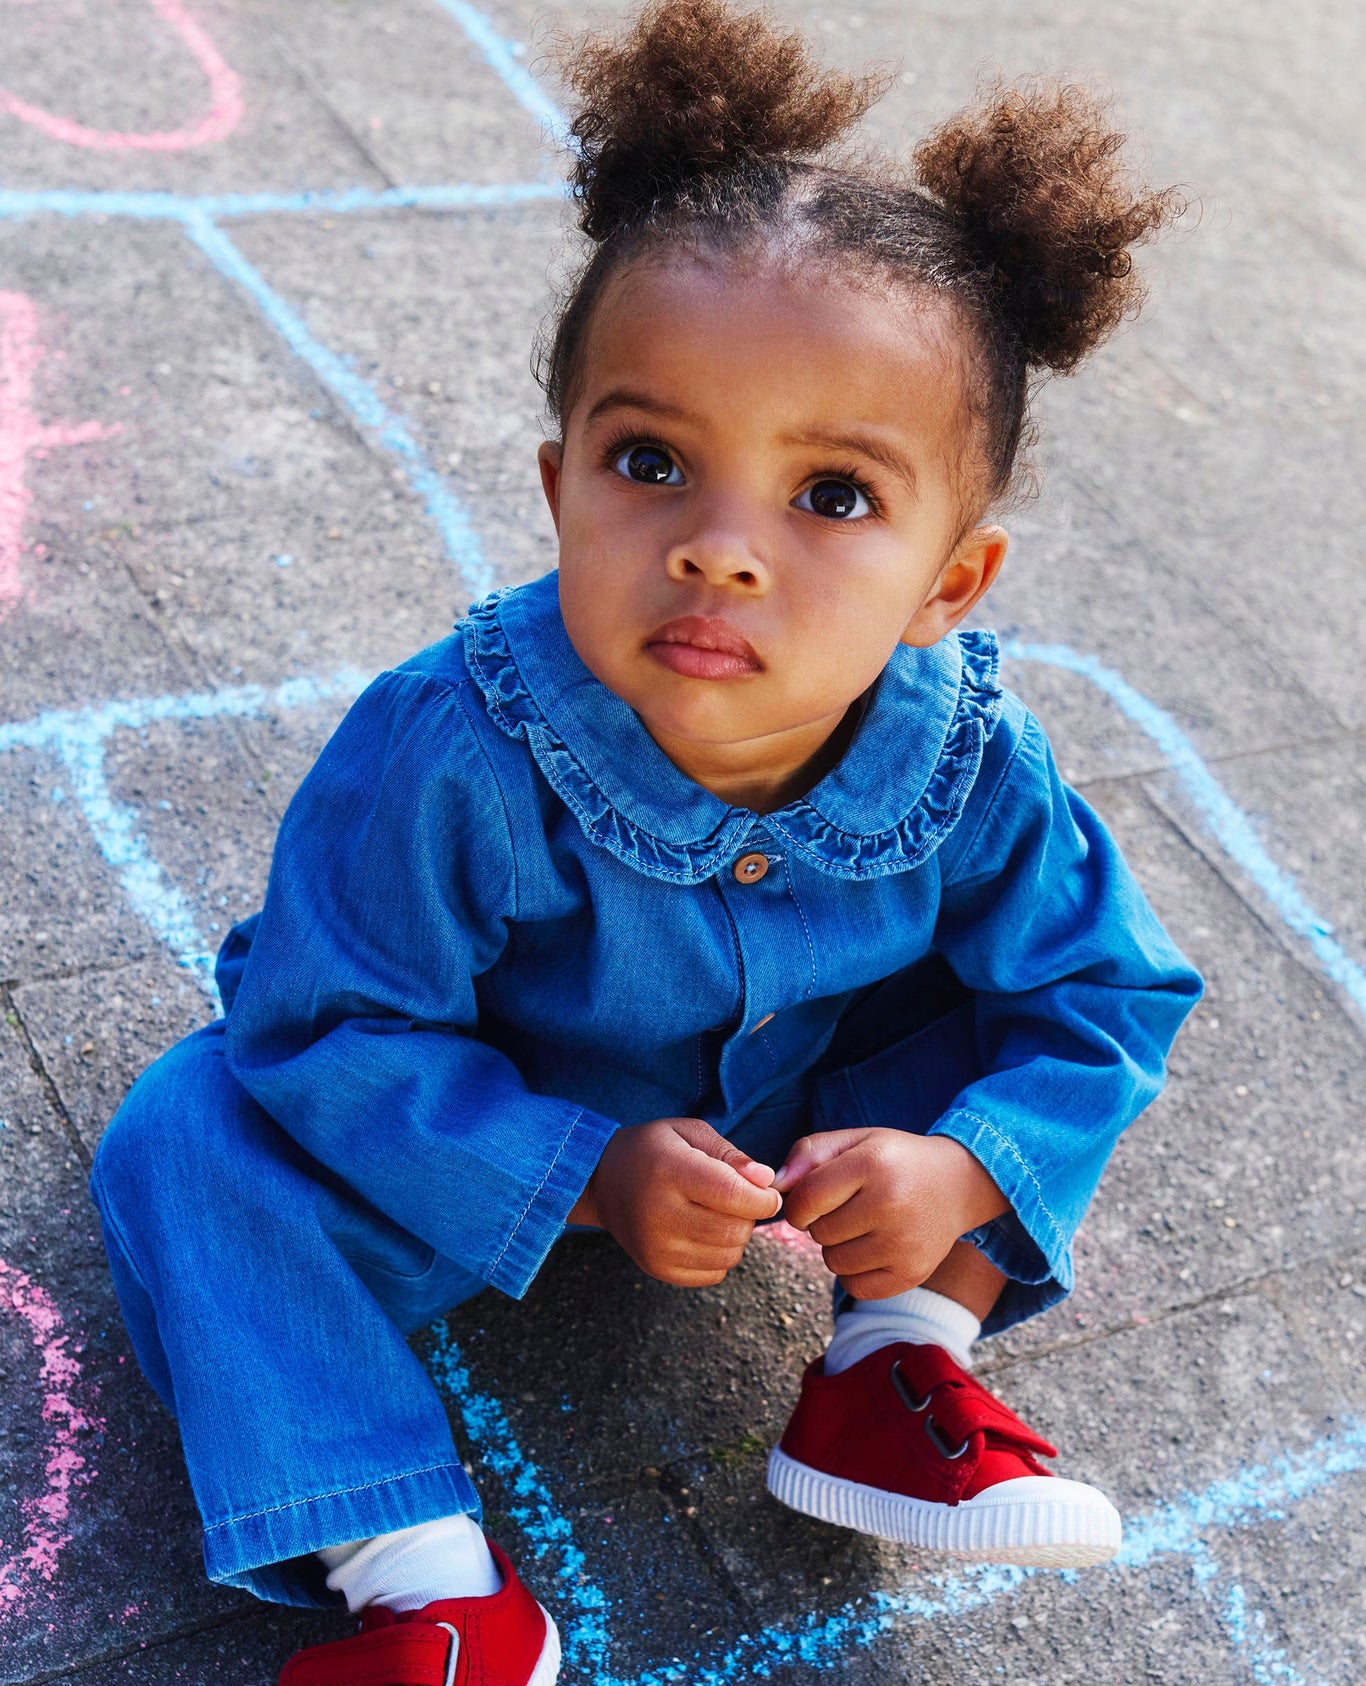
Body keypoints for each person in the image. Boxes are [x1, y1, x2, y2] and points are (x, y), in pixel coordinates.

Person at [88, 2, 1204, 1680]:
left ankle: (894, 1358)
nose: (717, 551)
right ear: (557, 486)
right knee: (189, 1130)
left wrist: (957, 1169)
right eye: (651, 461)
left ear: (948, 583)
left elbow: (1108, 995)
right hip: (487, 1130)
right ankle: (426, 1581)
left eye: (830, 496)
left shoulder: (973, 758)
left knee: (1013, 1032)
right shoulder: (454, 744)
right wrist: (584, 1173)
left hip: (804, 1139)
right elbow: (324, 1025)